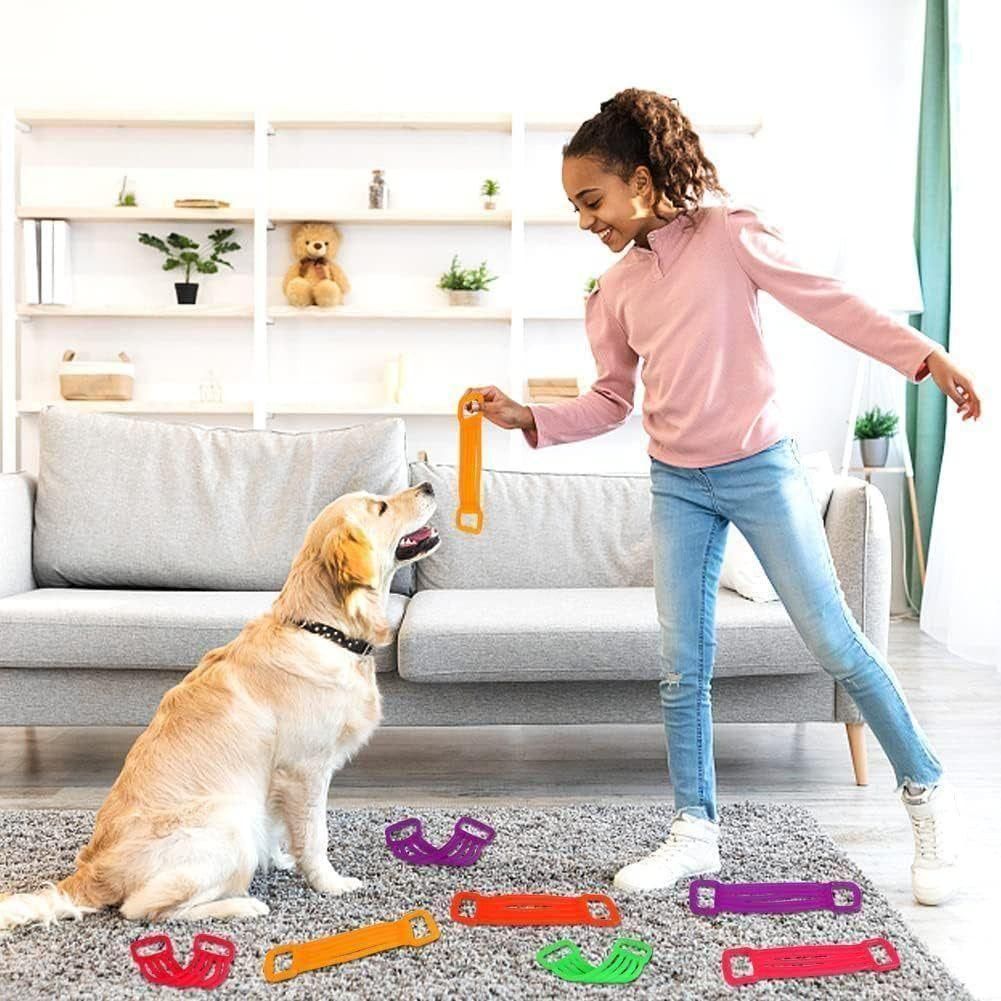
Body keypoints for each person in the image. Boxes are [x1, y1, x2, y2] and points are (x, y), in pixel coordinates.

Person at [464, 88, 982, 906]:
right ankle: (694, 829)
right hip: (677, 483)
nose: (583, 219)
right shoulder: (613, 291)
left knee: (837, 644)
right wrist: (526, 415)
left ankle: (926, 794)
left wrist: (925, 356)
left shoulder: (729, 234)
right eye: (572, 206)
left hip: (759, 468)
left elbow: (828, 302)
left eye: (590, 200)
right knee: (681, 667)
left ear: (639, 178)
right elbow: (609, 400)